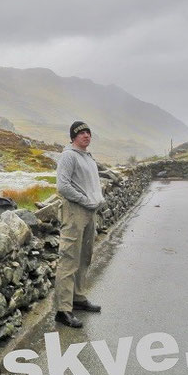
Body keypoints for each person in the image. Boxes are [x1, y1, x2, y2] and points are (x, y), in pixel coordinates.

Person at [53, 121, 105, 328]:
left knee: (84, 256)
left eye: (88, 132)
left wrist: (97, 201)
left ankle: (78, 298)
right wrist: (85, 200)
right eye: (81, 133)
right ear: (73, 137)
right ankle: (63, 310)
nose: (86, 136)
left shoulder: (88, 157)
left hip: (90, 212)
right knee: (69, 258)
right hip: (74, 211)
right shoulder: (68, 156)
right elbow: (62, 186)